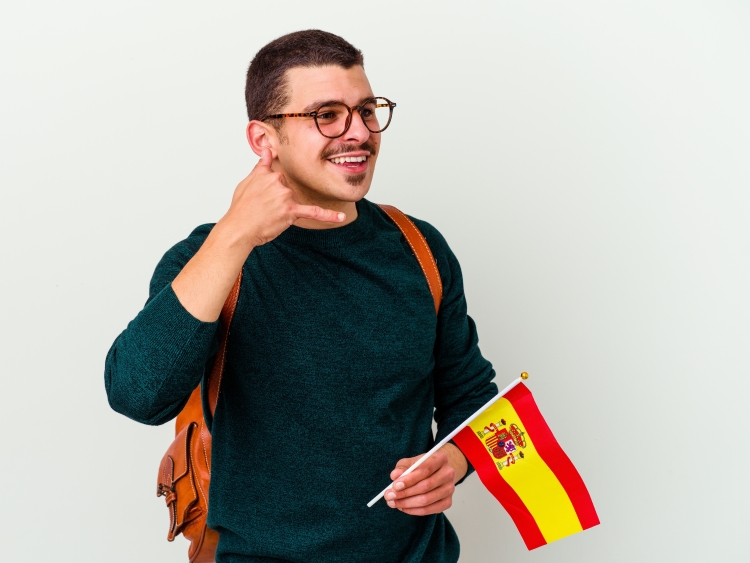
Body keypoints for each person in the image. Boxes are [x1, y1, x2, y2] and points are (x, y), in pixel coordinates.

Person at [105, 29, 497, 563]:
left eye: (366, 109)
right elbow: (137, 395)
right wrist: (234, 235)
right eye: (327, 115)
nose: (357, 132)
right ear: (264, 141)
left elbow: (476, 399)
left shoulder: (421, 249)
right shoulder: (211, 257)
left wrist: (454, 461)